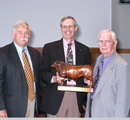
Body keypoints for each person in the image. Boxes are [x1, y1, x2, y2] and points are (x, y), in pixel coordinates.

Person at [40, 16, 90, 117]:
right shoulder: (49, 48)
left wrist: (87, 80)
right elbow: (42, 72)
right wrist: (54, 78)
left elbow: (85, 73)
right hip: (55, 97)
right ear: (61, 28)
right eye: (64, 26)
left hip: (76, 98)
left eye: (70, 26)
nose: (67, 30)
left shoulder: (84, 50)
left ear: (75, 28)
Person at [85, 29, 130, 117]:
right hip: (92, 113)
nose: (103, 45)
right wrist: (91, 83)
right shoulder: (99, 59)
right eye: (101, 41)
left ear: (115, 43)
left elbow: (124, 103)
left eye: (107, 41)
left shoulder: (123, 66)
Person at [0, 21, 41, 117]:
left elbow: (39, 78)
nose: (23, 35)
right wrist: (1, 108)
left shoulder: (36, 54)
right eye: (20, 32)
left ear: (29, 35)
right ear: (13, 34)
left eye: (26, 33)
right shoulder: (3, 54)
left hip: (32, 102)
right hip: (11, 107)